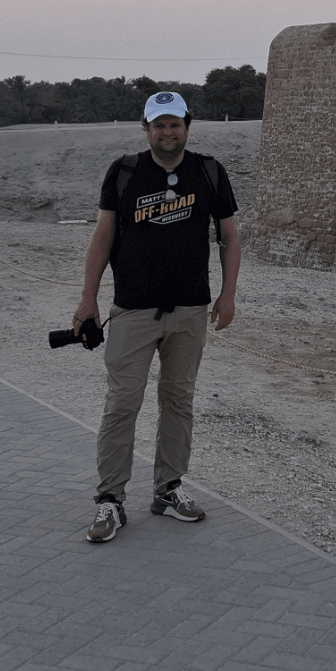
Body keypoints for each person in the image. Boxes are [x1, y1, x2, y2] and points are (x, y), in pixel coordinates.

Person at [73, 91, 241, 543]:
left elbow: (229, 235)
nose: (168, 133)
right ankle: (110, 499)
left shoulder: (208, 171)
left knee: (178, 401)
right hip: (132, 309)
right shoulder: (125, 172)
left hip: (190, 309)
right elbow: (103, 235)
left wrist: (227, 295)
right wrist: (88, 298)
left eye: (175, 125)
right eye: (158, 125)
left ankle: (168, 491)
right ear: (146, 129)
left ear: (188, 126)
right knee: (122, 404)